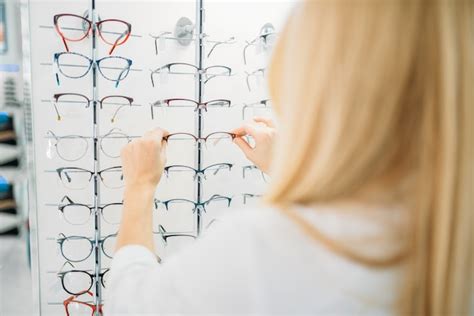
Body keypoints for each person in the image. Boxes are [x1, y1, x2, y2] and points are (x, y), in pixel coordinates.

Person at [106, 0, 473, 315]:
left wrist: (139, 186)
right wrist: (289, 167)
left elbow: (132, 307)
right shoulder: (448, 234)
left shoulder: (268, 249)